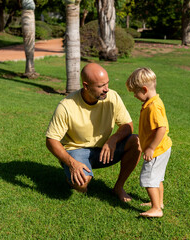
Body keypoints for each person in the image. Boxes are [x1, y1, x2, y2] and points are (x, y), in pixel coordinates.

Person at [46, 63, 141, 202]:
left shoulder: (112, 97)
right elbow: (51, 140)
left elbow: (128, 125)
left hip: (105, 150)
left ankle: (118, 188)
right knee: (82, 184)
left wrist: (113, 139)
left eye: (107, 84)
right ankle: (74, 175)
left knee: (136, 141)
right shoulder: (66, 106)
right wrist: (72, 163)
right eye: (101, 86)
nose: (106, 89)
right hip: (76, 150)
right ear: (86, 86)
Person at [126, 67, 172, 217]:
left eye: (135, 92)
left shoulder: (153, 107)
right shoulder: (153, 102)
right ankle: (158, 203)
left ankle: (156, 209)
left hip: (157, 150)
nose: (134, 95)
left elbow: (161, 128)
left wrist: (150, 148)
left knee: (148, 178)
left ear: (144, 89)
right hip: (163, 148)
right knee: (157, 177)